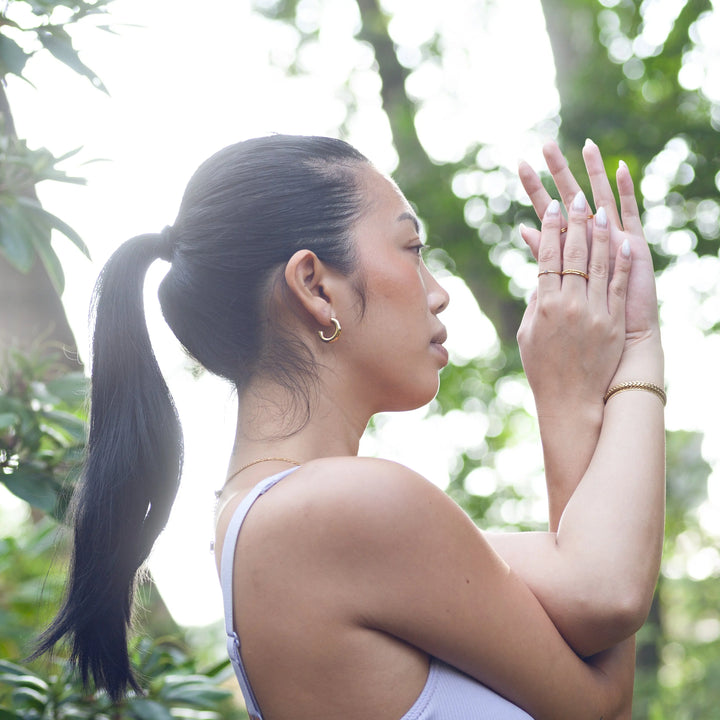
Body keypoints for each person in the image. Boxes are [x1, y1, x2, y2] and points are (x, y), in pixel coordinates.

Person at [34, 135, 665, 719]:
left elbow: (590, 615)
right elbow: (602, 625)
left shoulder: (280, 517)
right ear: (315, 286)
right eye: (413, 250)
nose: (439, 292)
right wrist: (632, 345)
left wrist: (577, 391)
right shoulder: (337, 508)